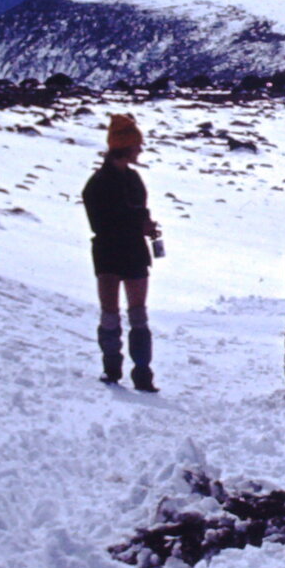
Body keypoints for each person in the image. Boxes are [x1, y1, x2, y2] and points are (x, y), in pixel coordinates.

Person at [82, 113, 163, 391]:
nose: (140, 150)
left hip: (115, 251)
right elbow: (105, 222)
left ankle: (122, 370)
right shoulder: (103, 183)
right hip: (117, 250)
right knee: (128, 313)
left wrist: (145, 225)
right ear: (125, 147)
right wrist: (140, 225)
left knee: (119, 313)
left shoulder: (122, 180)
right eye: (136, 145)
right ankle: (129, 371)